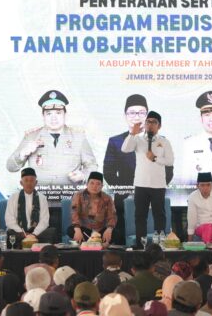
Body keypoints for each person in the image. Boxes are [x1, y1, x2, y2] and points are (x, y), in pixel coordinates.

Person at [6, 89, 98, 198]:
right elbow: (10, 167)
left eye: (58, 113)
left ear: (65, 114)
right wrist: (22, 154)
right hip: (39, 200)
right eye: (49, 113)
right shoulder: (31, 137)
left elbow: (92, 166)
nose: (53, 118)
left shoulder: (78, 137)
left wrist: (83, 175)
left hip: (69, 200)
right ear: (43, 116)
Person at [121, 110, 174, 247]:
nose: (150, 125)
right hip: (141, 184)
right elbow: (125, 149)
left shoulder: (164, 141)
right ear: (145, 124)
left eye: (154, 122)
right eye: (148, 122)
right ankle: (140, 244)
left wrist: (155, 158)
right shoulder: (137, 139)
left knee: (159, 214)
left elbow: (170, 161)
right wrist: (132, 133)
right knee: (140, 215)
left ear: (159, 126)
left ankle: (159, 244)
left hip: (158, 185)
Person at [103, 94, 149, 245]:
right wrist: (124, 188)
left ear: (147, 115)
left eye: (141, 112)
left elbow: (168, 170)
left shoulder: (157, 140)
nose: (136, 116)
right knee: (122, 236)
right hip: (123, 197)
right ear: (125, 116)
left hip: (150, 193)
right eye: (132, 112)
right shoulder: (115, 141)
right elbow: (108, 171)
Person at [5, 167, 55, 247]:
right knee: (10, 233)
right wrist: (23, 234)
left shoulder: (42, 198)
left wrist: (33, 234)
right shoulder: (13, 198)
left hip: (37, 233)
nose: (29, 183)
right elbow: (9, 220)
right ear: (21, 183)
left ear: (36, 182)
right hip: (19, 233)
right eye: (26, 180)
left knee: (51, 232)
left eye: (31, 180)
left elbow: (44, 221)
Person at [68, 171, 116, 245]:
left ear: (102, 186)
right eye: (92, 183)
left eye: (98, 184)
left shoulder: (107, 198)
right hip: (84, 229)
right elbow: (74, 213)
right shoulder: (78, 195)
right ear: (87, 184)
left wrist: (109, 229)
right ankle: (97, 242)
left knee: (116, 233)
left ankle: (93, 242)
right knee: (71, 230)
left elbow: (112, 215)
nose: (94, 186)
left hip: (100, 230)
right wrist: (77, 229)